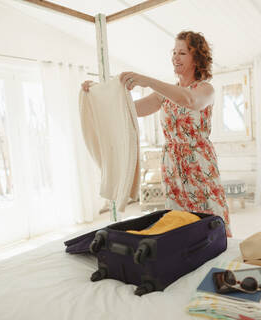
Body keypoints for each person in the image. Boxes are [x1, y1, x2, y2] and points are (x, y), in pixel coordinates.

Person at [82, 31, 231, 237]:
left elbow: (189, 100)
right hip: (172, 164)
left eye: (182, 53)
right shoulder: (164, 93)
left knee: (209, 218)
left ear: (197, 58)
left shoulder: (205, 89)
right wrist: (97, 93)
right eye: (174, 52)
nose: (175, 58)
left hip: (199, 163)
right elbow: (128, 110)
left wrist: (148, 81)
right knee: (179, 221)